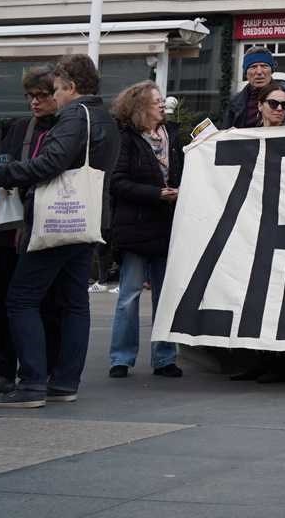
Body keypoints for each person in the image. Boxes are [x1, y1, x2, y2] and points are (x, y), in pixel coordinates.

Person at [0, 55, 120, 410]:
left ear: (71, 86)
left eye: (56, 89)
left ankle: (32, 384)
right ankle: (64, 381)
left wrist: (0, 173)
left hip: (56, 219)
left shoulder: (74, 116)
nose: (53, 97)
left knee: (21, 299)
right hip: (88, 220)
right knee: (74, 303)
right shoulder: (105, 118)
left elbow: (50, 163)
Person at [0, 69, 63, 396]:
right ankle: (0, 370)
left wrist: (8, 172)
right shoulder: (18, 127)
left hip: (49, 225)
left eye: (41, 96)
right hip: (12, 227)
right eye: (30, 96)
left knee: (46, 304)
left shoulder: (66, 128)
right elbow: (2, 166)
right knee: (3, 301)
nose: (35, 102)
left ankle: (42, 370)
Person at [107, 82, 184, 380]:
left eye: (162, 100)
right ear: (140, 107)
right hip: (137, 227)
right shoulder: (126, 139)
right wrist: (156, 193)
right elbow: (117, 182)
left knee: (166, 296)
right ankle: (121, 358)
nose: (162, 105)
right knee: (129, 296)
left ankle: (165, 358)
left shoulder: (174, 136)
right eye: (156, 102)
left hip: (168, 227)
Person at [233, 86, 285, 386]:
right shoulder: (243, 136)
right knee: (254, 293)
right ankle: (255, 359)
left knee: (281, 295)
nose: (279, 109)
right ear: (259, 106)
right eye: (273, 103)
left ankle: (280, 362)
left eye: (284, 105)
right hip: (253, 223)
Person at [222, 48, 285, 128]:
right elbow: (225, 136)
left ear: (272, 70)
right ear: (246, 73)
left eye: (264, 66)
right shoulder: (236, 101)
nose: (259, 72)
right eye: (253, 67)